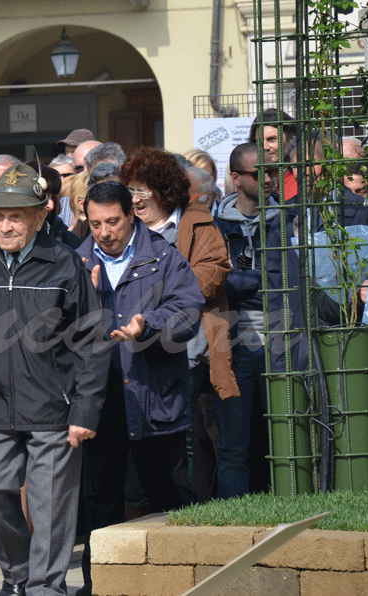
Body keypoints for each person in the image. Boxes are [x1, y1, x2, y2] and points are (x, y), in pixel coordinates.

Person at [0, 163, 108, 596]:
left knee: (50, 504)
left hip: (54, 408)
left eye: (16, 216)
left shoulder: (64, 264)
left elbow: (92, 341)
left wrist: (85, 409)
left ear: (40, 216)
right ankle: (16, 575)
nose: (4, 225)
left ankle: (46, 586)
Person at [75, 180, 204, 594]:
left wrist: (148, 324)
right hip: (100, 398)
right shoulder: (77, 262)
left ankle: (181, 581)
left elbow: (188, 310)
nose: (104, 232)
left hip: (154, 394)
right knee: (100, 501)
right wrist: (87, 302)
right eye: (95, 224)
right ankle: (100, 585)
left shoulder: (163, 256)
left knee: (167, 493)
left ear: (132, 214)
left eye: (113, 221)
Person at [121, 147, 239, 504]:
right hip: (135, 348)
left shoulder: (198, 223)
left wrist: (159, 299)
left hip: (186, 344)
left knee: (185, 432)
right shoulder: (124, 229)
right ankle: (152, 503)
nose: (136, 199)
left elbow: (213, 271)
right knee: (143, 430)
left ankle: (187, 504)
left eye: (143, 190)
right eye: (131, 190)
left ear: (164, 189)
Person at [214, 142, 281, 498]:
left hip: (285, 343)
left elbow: (290, 283)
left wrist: (244, 284)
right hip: (233, 346)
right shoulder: (215, 225)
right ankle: (233, 524)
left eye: (272, 172)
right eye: (260, 173)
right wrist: (260, 281)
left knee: (284, 441)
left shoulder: (288, 220)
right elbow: (217, 282)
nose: (269, 179)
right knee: (233, 448)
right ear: (237, 178)